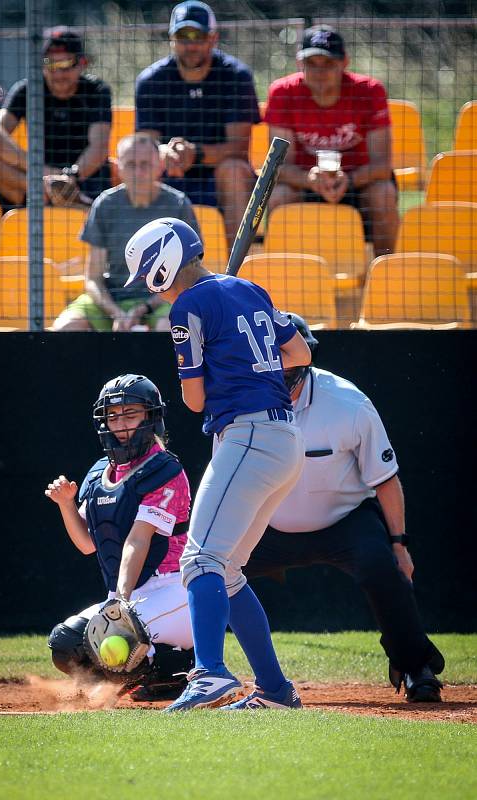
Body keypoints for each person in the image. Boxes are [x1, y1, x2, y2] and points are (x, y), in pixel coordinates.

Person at [123, 218, 312, 711]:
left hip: (247, 434)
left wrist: (214, 356)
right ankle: (275, 690)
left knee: (200, 559)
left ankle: (209, 673)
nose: (149, 286)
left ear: (163, 267)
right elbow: (299, 351)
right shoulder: (249, 288)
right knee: (225, 573)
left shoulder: (188, 307)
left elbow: (192, 399)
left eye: (147, 275)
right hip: (286, 436)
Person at [245, 314, 445, 704]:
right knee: (209, 570)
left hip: (345, 522)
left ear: (306, 362)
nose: (279, 386)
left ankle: (415, 666)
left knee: (382, 567)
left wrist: (400, 547)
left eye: (288, 374)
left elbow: (385, 479)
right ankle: (194, 668)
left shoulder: (349, 403)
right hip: (268, 525)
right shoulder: (241, 406)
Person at [45, 373, 195, 700]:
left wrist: (119, 601)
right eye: (113, 416)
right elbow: (87, 544)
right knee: (65, 646)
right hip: (128, 595)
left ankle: (183, 668)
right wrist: (66, 505)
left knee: (114, 638)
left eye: (131, 413)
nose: (120, 423)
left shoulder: (165, 470)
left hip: (174, 591)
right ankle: (158, 678)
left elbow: (137, 541)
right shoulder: (100, 472)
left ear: (151, 416)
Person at [265, 24, 399, 256]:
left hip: (358, 183)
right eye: (311, 64)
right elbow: (278, 167)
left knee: (383, 193)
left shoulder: (369, 91)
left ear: (344, 62)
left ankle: (386, 276)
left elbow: (382, 167)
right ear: (299, 63)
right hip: (305, 184)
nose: (319, 72)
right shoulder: (282, 92)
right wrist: (310, 180)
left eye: (328, 63)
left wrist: (348, 179)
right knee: (279, 196)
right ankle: (280, 278)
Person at [135, 1, 260, 247]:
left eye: (199, 36)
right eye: (183, 36)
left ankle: (237, 269)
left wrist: (196, 153)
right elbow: (145, 143)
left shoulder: (236, 76)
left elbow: (239, 147)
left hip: (218, 173)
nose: (191, 45)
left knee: (235, 170)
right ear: (171, 38)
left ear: (214, 38)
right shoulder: (150, 80)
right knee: (139, 167)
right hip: (172, 171)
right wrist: (165, 152)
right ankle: (149, 266)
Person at [52, 133, 201, 332]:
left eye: (145, 164)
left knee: (171, 327)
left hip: (163, 299)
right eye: (131, 164)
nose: (138, 172)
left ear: (159, 166)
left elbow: (187, 276)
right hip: (110, 301)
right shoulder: (105, 204)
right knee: (66, 327)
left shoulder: (178, 205)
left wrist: (143, 309)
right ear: (119, 167)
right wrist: (116, 313)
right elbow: (93, 278)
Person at [0, 26, 112, 215]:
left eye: (65, 63)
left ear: (82, 63)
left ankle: (64, 199)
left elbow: (99, 147)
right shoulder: (27, 89)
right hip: (37, 181)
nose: (58, 73)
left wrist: (69, 177)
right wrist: (45, 173)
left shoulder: (97, 91)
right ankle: (45, 195)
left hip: (83, 179)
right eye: (49, 63)